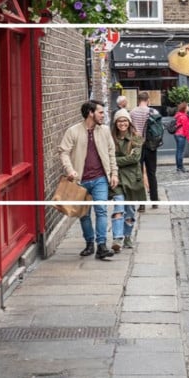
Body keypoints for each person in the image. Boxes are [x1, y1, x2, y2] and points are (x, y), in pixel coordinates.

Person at [57, 100, 119, 260]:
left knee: (101, 211)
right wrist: (70, 170)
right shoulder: (73, 131)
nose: (103, 115)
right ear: (90, 113)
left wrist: (114, 173)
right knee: (84, 214)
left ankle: (102, 246)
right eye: (100, 112)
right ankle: (89, 243)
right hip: (81, 181)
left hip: (100, 179)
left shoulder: (104, 131)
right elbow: (63, 151)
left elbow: (112, 152)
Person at [109, 109, 145, 252]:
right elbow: (107, 158)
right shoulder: (111, 139)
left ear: (129, 122)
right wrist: (121, 160)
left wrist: (115, 160)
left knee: (129, 210)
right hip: (116, 178)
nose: (122, 123)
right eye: (119, 121)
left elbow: (135, 158)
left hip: (132, 179)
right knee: (119, 206)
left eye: (125, 120)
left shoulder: (136, 138)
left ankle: (127, 236)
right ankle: (117, 238)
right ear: (115, 123)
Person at [129, 91, 160, 203]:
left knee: (139, 172)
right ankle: (154, 199)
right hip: (151, 145)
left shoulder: (132, 112)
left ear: (138, 100)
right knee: (152, 172)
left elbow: (130, 129)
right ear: (148, 100)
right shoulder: (153, 111)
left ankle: (141, 201)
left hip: (137, 145)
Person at [173, 101, 189, 174]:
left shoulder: (178, 115)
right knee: (180, 152)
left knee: (178, 151)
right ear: (184, 108)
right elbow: (186, 129)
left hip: (177, 134)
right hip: (181, 135)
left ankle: (178, 167)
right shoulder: (184, 116)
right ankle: (181, 167)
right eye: (187, 106)